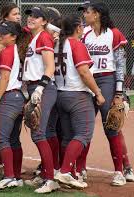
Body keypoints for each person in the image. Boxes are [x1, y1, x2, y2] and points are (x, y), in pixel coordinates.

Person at [82, 1, 131, 186]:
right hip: (87, 81)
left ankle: (119, 171)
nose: (85, 14)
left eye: (87, 12)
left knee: (111, 126)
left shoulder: (114, 33)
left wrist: (119, 91)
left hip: (107, 80)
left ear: (97, 14)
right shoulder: (84, 33)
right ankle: (81, 169)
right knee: (83, 127)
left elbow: (120, 65)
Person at [54, 14, 105, 189]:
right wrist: (97, 92)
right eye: (81, 26)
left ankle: (71, 174)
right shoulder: (77, 44)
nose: (83, 28)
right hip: (77, 95)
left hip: (61, 94)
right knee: (83, 134)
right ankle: (65, 171)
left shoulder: (58, 44)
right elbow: (84, 72)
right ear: (77, 28)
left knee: (68, 137)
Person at [22, 6, 60, 194]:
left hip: (43, 88)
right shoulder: (35, 38)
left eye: (36, 17)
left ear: (44, 21)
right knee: (42, 132)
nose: (31, 19)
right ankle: (47, 174)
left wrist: (39, 88)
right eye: (30, 15)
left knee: (38, 133)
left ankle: (50, 179)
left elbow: (50, 66)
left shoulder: (44, 37)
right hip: (35, 87)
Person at [0, 21, 24, 190]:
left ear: (14, 36)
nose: (1, 35)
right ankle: (16, 176)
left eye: (5, 33)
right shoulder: (14, 50)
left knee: (1, 138)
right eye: (0, 32)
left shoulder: (8, 52)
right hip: (17, 97)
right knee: (13, 140)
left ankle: (9, 176)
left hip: (8, 98)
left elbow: (4, 78)